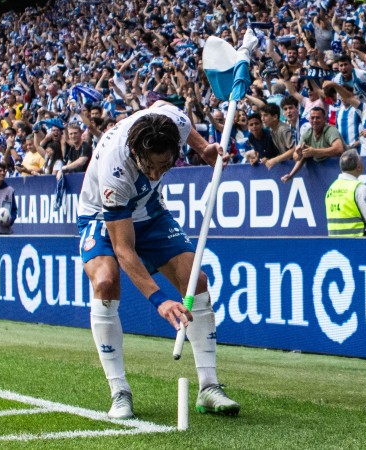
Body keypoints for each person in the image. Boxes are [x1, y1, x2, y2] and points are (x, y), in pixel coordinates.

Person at [76, 102, 239, 420]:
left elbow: (167, 107)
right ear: (135, 151)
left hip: (149, 209)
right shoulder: (116, 169)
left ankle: (209, 387)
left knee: (197, 279)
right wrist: (160, 301)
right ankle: (119, 391)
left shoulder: (174, 122)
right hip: (103, 214)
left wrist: (204, 148)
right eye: (149, 167)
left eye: (163, 167)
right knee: (106, 281)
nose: (155, 173)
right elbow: (125, 251)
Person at [325, 150, 366, 237]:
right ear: (359, 167)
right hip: (357, 244)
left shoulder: (332, 188)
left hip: (336, 243)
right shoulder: (360, 189)